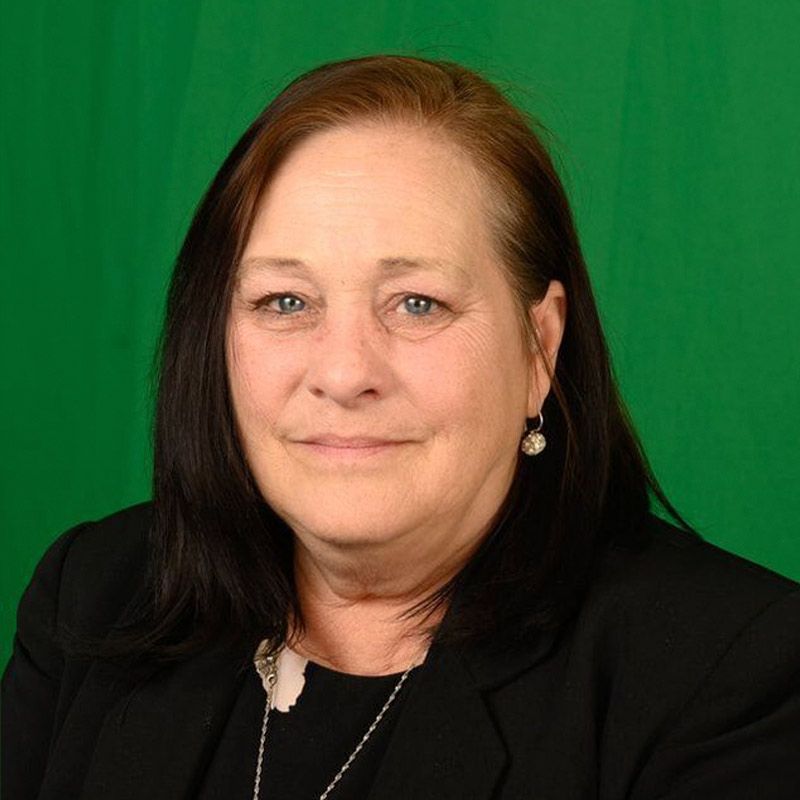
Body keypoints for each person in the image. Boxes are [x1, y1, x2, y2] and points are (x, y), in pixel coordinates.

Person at [3, 54, 799, 800]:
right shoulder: (94, 596)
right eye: (286, 301)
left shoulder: (728, 673)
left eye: (417, 303)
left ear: (539, 347)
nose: (345, 372)